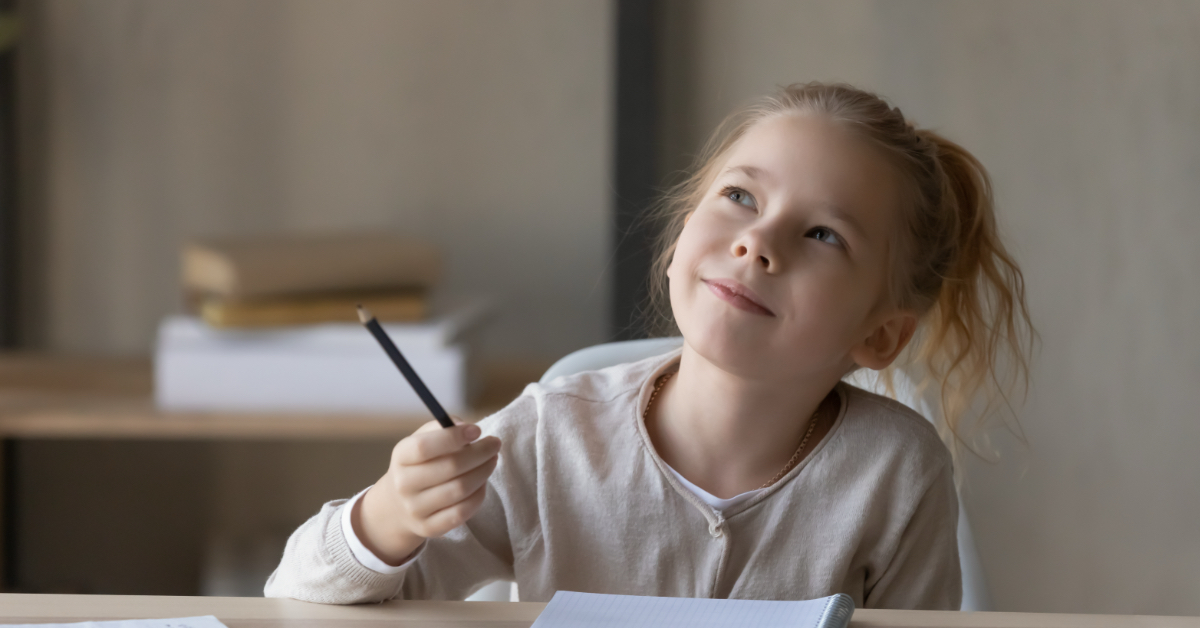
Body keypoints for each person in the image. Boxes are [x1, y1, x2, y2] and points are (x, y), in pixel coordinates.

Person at [264, 82, 1034, 609]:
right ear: (677, 243)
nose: (757, 244)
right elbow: (295, 600)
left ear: (880, 335)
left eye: (823, 234)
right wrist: (391, 515)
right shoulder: (549, 436)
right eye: (740, 197)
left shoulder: (898, 469)